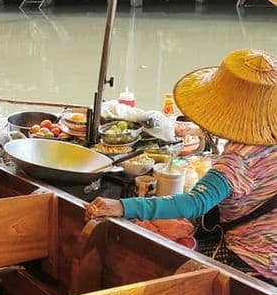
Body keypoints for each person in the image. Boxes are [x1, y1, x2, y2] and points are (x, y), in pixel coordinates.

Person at [86, 49, 277, 283]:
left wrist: (122, 206)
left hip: (253, 263)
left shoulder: (237, 160)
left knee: (166, 274)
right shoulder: (268, 140)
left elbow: (194, 203)